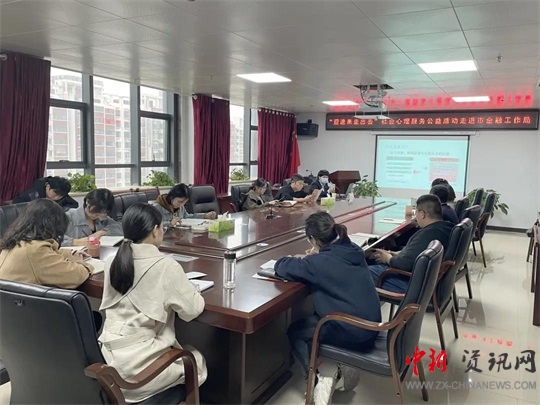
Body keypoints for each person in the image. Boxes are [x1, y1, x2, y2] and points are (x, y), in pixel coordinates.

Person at [99, 203, 207, 403]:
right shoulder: (166, 266)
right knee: (197, 361)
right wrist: (192, 290)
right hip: (138, 374)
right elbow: (192, 310)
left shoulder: (112, 262)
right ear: (155, 230)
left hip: (108, 364)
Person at [275, 212, 381, 404]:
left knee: (296, 331)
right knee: (315, 318)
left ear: (313, 240)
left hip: (352, 330)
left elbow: (282, 266)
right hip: (372, 324)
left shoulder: (319, 263)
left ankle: (315, 380)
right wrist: (318, 255)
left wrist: (313, 258)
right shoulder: (353, 249)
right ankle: (342, 366)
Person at [368, 194, 453, 293]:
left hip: (412, 285)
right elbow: (416, 252)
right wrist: (395, 253)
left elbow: (403, 264)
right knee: (376, 262)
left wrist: (388, 258)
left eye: (416, 212)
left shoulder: (427, 234)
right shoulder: (447, 228)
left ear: (422, 214)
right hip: (429, 282)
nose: (415, 217)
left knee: (363, 272)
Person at [0, 199, 92, 289]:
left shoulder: (15, 241)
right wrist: (79, 263)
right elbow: (76, 277)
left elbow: (46, 254)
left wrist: (70, 253)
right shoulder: (36, 251)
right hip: (27, 299)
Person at [153, 184, 217, 227]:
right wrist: (169, 224)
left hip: (176, 236)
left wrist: (205, 215)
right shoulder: (156, 208)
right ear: (171, 197)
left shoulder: (180, 207)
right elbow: (152, 226)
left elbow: (187, 217)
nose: (181, 205)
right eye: (180, 202)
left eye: (184, 203)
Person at [12, 176, 78, 210]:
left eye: (60, 196)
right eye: (55, 194)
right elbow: (16, 206)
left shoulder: (61, 191)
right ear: (48, 187)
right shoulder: (33, 194)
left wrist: (60, 210)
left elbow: (74, 204)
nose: (57, 198)